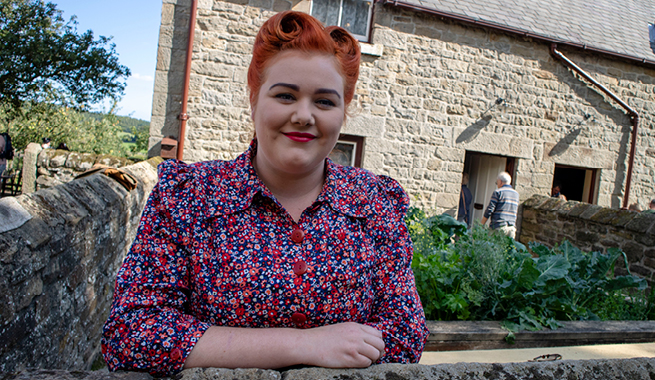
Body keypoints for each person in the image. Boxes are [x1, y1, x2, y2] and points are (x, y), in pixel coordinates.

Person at [101, 11, 428, 377]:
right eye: (286, 95)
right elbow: (133, 333)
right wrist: (303, 344)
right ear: (254, 98)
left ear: (343, 111)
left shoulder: (374, 203)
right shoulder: (187, 196)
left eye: (324, 101)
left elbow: (405, 332)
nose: (304, 115)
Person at [481, 172, 519, 239]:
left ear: (500, 182)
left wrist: (482, 223)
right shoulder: (516, 194)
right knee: (507, 248)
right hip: (511, 228)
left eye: (497, 182)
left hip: (499, 226)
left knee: (492, 247)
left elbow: (490, 209)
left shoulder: (498, 192)